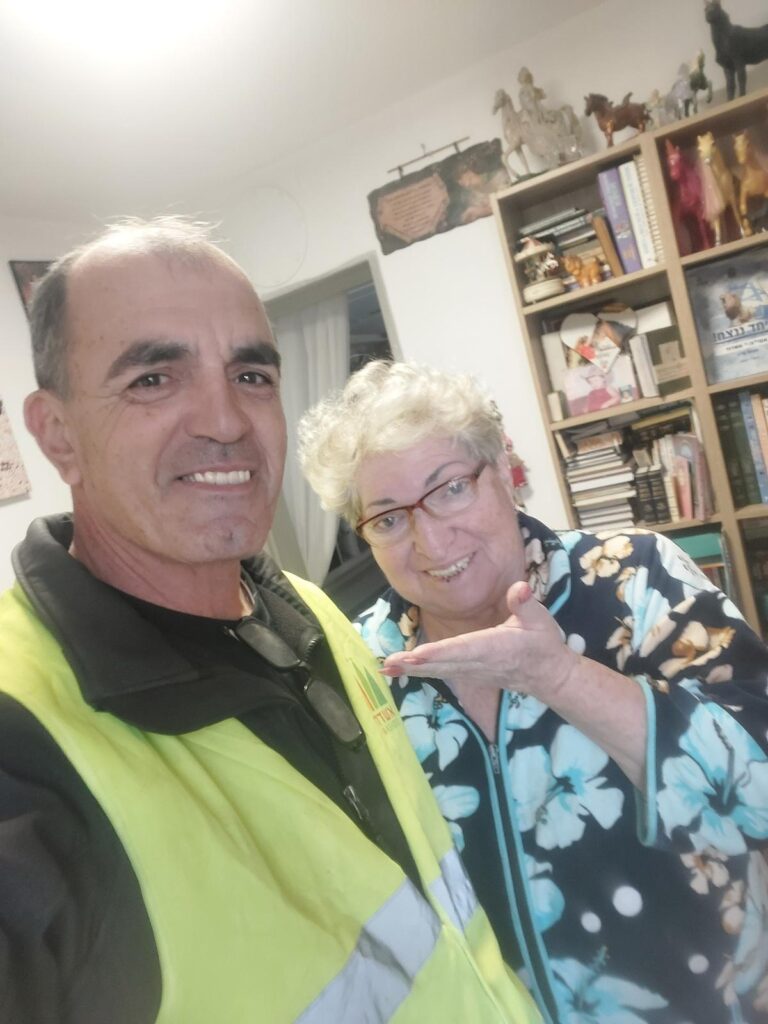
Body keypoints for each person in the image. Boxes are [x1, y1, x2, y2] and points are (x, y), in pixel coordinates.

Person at [0, 220, 540, 1024]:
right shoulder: (21, 737)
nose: (225, 421)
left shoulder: (310, 610)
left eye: (251, 374)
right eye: (154, 379)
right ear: (57, 434)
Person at [298, 359, 768, 1024]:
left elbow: (759, 787)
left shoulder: (635, 578)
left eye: (450, 489)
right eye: (388, 519)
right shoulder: (361, 663)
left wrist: (561, 677)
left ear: (504, 470)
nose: (431, 539)